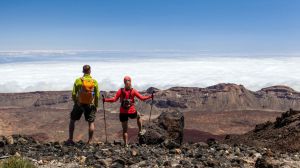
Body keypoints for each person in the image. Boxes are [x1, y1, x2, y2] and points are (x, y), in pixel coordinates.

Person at [103, 76, 153, 147]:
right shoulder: (133, 91)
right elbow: (142, 98)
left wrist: (105, 100)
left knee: (125, 130)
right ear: (131, 81)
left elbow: (114, 99)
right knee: (139, 116)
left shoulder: (120, 90)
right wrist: (150, 96)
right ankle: (140, 130)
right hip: (132, 111)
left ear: (124, 82)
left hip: (123, 112)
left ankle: (126, 144)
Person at [66, 65, 100, 145]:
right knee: (91, 122)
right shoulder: (94, 81)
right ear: (90, 71)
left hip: (79, 103)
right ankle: (90, 141)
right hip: (90, 104)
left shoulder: (78, 80)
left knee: (72, 120)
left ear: (83, 71)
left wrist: (76, 102)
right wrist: (96, 105)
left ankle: (70, 139)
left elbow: (74, 93)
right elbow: (97, 95)